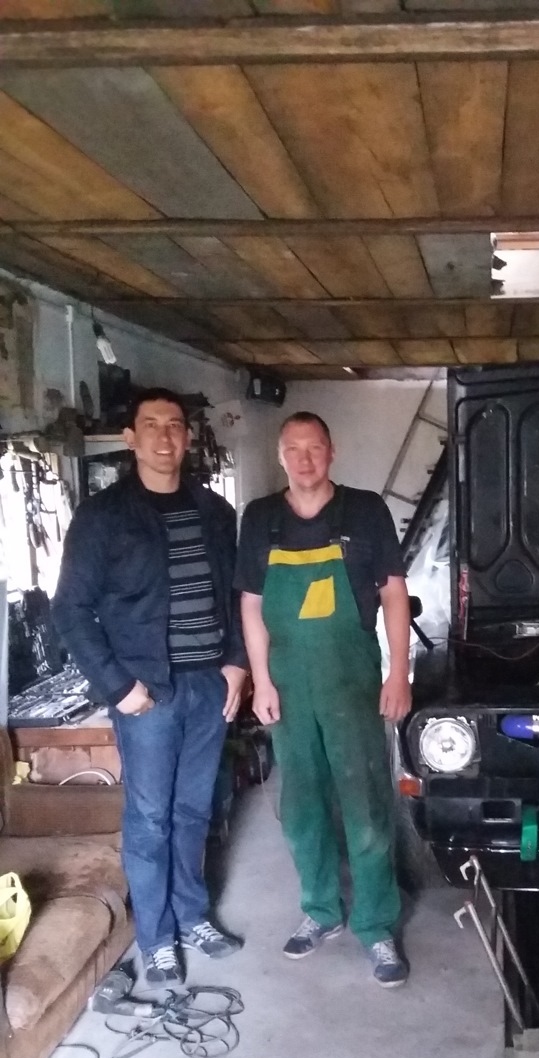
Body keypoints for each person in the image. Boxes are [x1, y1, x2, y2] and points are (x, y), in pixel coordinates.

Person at [53, 388, 247, 986]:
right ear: (131, 438)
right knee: (149, 816)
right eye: (152, 425)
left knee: (194, 810)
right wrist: (118, 687)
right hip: (147, 692)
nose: (165, 436)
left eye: (175, 425)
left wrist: (237, 663)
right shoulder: (102, 516)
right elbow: (69, 609)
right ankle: (157, 937)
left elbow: (237, 596)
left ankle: (192, 915)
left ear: (187, 438)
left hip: (208, 685)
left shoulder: (215, 512)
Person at [236, 411, 412, 988]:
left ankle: (376, 925)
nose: (304, 459)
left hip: (351, 679)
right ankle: (320, 910)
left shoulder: (365, 510)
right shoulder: (260, 518)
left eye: (314, 447)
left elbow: (394, 594)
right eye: (293, 449)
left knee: (366, 804)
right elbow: (252, 605)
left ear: (331, 451)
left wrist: (398, 673)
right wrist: (261, 680)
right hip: (288, 683)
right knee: (302, 804)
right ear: (280, 456)